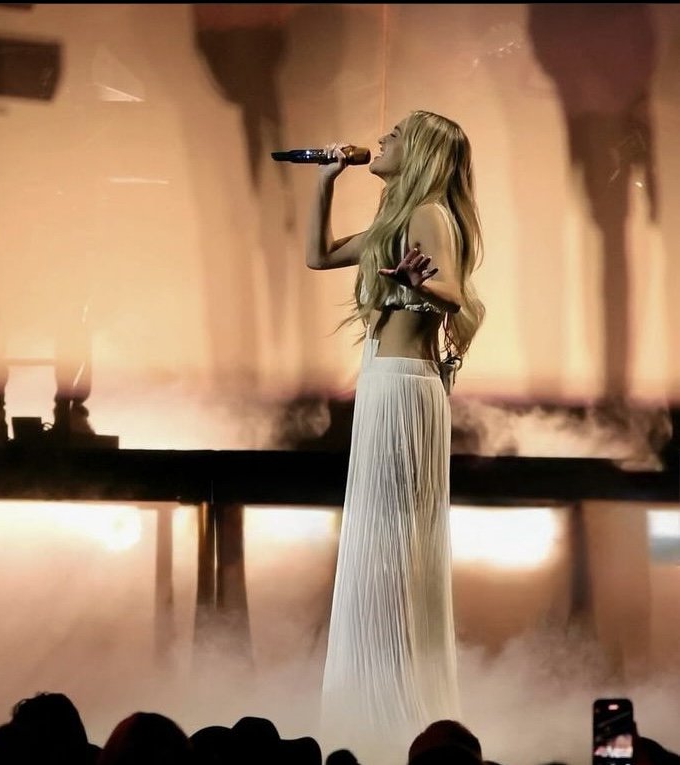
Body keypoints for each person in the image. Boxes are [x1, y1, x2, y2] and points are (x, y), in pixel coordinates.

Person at [303, 111, 485, 759]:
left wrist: (423, 284)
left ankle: (399, 708)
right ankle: (379, 702)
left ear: (424, 152)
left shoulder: (430, 213)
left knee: (396, 546)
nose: (381, 140)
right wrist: (326, 180)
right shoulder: (395, 221)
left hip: (407, 388)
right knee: (381, 544)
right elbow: (317, 255)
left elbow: (459, 293)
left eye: (398, 134)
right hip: (385, 383)